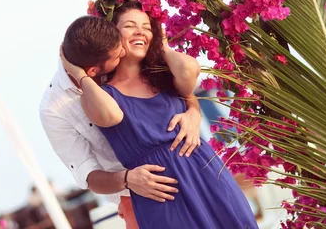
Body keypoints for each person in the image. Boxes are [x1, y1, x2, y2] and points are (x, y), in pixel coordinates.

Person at [61, 1, 258, 229]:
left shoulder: (164, 75)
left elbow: (190, 70)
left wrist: (161, 45)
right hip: (161, 194)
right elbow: (110, 115)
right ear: (113, 35)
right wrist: (79, 72)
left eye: (147, 26)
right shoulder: (100, 94)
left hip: (207, 177)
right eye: (130, 26)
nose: (140, 31)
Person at [40, 15, 203, 228]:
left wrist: (194, 112)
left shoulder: (109, 47)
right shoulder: (54, 109)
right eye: (117, 55)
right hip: (137, 197)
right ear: (93, 71)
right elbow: (87, 174)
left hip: (192, 171)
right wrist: (128, 179)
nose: (124, 53)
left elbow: (179, 91)